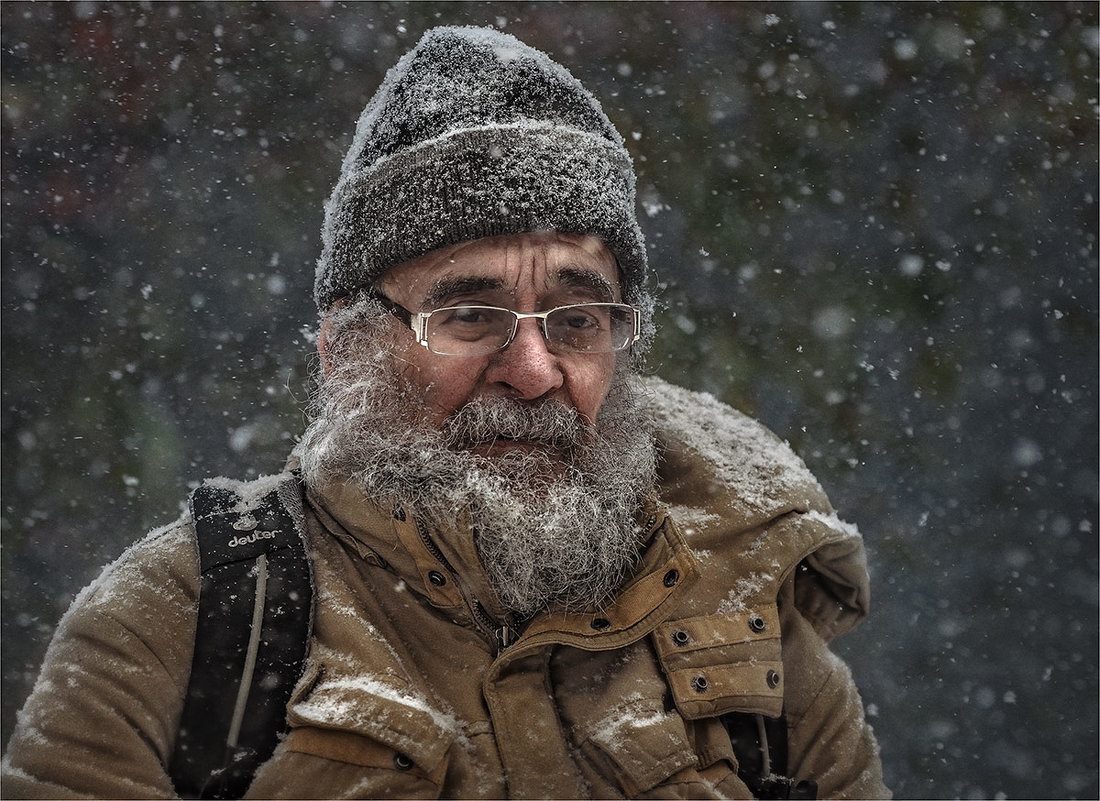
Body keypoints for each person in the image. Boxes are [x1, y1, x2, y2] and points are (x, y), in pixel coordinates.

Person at [2, 25, 889, 799]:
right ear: (346, 350)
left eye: (577, 320)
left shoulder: (757, 633)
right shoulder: (183, 627)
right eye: (470, 316)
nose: (534, 371)